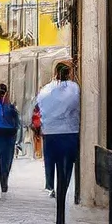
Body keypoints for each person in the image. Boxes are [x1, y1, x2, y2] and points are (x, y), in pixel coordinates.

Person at [34, 62, 81, 199]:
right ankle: (64, 187)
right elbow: (76, 104)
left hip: (50, 131)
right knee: (67, 162)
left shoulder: (46, 89)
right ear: (70, 73)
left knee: (50, 160)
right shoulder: (74, 88)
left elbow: (40, 106)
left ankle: (50, 186)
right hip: (70, 131)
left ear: (55, 72)